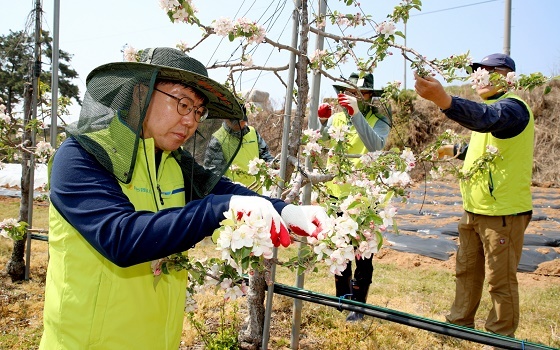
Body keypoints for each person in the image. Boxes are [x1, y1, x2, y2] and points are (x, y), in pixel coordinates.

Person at [40, 47, 329, 349]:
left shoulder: (171, 161)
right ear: (141, 93)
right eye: (182, 104)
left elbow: (223, 191)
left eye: (198, 111)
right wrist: (217, 209)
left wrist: (286, 210)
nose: (191, 121)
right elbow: (120, 237)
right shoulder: (81, 156)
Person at [414, 53, 534, 338]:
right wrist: (456, 150)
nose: (480, 74)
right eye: (478, 70)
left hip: (502, 212)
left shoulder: (513, 109)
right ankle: (459, 326)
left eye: (488, 70)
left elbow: (488, 120)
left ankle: (500, 337)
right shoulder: (490, 110)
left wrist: (445, 100)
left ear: (507, 77)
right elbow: (487, 147)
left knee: (499, 281)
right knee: (466, 272)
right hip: (474, 210)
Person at [319, 72, 392, 322]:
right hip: (336, 194)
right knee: (339, 251)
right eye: (350, 92)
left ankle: (359, 307)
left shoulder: (379, 120)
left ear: (371, 96)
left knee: (362, 253)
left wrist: (356, 115)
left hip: (363, 199)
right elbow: (323, 141)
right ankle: (343, 300)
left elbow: (375, 146)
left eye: (361, 93)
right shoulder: (338, 118)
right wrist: (322, 122)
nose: (354, 97)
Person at [204, 108, 275, 193]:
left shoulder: (252, 132)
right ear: (226, 119)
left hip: (257, 193)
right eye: (236, 123)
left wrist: (275, 164)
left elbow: (265, 155)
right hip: (233, 196)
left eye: (242, 121)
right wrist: (232, 185)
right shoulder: (217, 140)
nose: (240, 125)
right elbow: (213, 175)